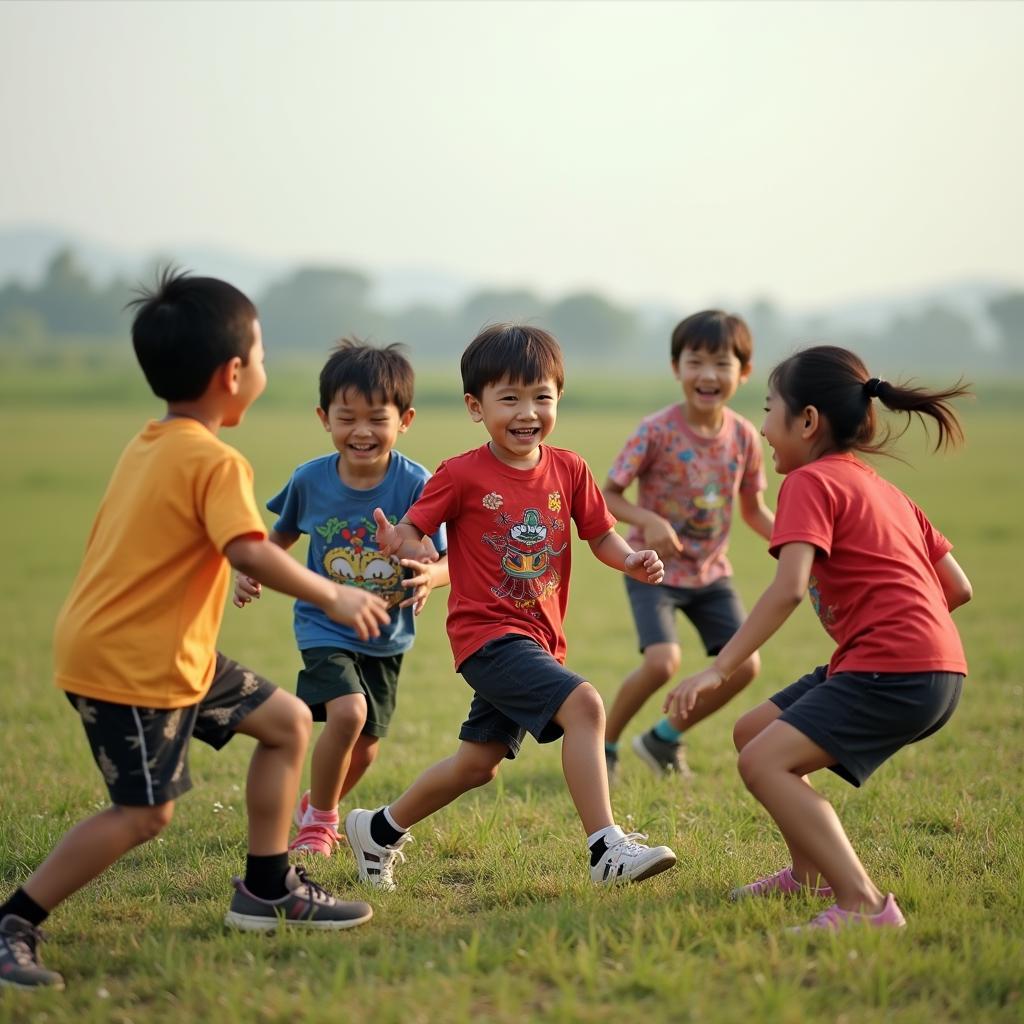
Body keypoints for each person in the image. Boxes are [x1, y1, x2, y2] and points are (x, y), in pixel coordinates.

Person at [0, 271, 392, 991]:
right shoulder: (215, 460)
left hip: (170, 654)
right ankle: (14, 922)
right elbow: (248, 549)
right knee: (144, 813)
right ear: (234, 373)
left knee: (283, 724)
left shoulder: (152, 442)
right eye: (264, 356)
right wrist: (332, 594)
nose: (265, 370)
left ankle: (266, 889)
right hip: (131, 665)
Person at [345, 323, 678, 890]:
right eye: (510, 399)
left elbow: (600, 535)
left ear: (558, 399)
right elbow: (413, 530)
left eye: (541, 397)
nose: (528, 412)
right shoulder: (460, 473)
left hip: (537, 637)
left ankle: (377, 830)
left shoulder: (569, 469)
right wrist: (400, 541)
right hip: (487, 637)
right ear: (477, 407)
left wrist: (631, 560)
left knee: (479, 764)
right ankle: (606, 849)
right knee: (585, 706)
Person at [664, 345, 972, 932]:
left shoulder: (808, 482)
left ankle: (863, 903)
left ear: (807, 421)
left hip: (893, 667)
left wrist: (717, 669)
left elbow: (786, 589)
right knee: (752, 730)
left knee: (763, 763)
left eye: (769, 410)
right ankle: (807, 874)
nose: (761, 428)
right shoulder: (883, 488)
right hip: (930, 667)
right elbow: (956, 587)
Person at [233, 340, 448, 858]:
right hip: (323, 624)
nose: (361, 432)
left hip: (388, 634)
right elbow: (276, 538)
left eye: (377, 418)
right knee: (348, 714)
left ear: (406, 420)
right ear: (323, 417)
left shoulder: (418, 483)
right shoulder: (310, 480)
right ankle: (320, 826)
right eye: (346, 417)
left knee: (366, 749)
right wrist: (249, 570)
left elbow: (449, 557)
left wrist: (432, 579)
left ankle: (312, 805)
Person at [602, 311, 774, 781]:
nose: (708, 375)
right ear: (676, 367)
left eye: (721, 363)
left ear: (744, 372)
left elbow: (754, 510)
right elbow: (608, 496)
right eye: (695, 362)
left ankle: (662, 739)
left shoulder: (744, 436)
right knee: (663, 662)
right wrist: (649, 519)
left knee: (743, 666)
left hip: (712, 575)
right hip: (651, 569)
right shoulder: (654, 430)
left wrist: (803, 545)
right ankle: (607, 744)